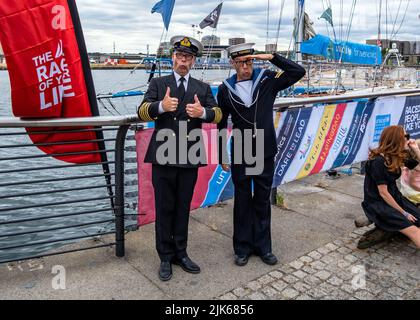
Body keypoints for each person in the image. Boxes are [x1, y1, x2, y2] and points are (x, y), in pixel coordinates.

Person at [137, 35, 223, 281]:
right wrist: (161, 107)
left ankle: (181, 253)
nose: (183, 60)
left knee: (183, 207)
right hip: (163, 155)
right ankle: (165, 256)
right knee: (164, 208)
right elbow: (142, 111)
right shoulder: (158, 82)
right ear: (173, 58)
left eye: (188, 57)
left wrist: (203, 112)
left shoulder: (202, 88)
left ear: (193, 61)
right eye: (179, 56)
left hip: (189, 155)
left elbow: (218, 115)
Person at [217, 43, 306, 266]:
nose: (245, 66)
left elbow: (298, 72)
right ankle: (242, 248)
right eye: (240, 62)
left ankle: (264, 247)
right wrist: (222, 154)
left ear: (254, 61)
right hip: (241, 149)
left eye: (249, 61)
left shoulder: (267, 79)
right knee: (243, 200)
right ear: (233, 63)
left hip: (264, 149)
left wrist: (272, 57)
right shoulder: (225, 88)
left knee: (262, 199)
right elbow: (221, 123)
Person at [361, 126, 420, 249]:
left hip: (395, 198)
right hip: (379, 203)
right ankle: (394, 226)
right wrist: (404, 213)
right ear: (396, 140)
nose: (409, 139)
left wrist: (415, 149)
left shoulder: (397, 155)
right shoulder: (378, 162)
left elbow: (419, 168)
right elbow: (383, 193)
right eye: (406, 137)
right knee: (415, 231)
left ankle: (397, 227)